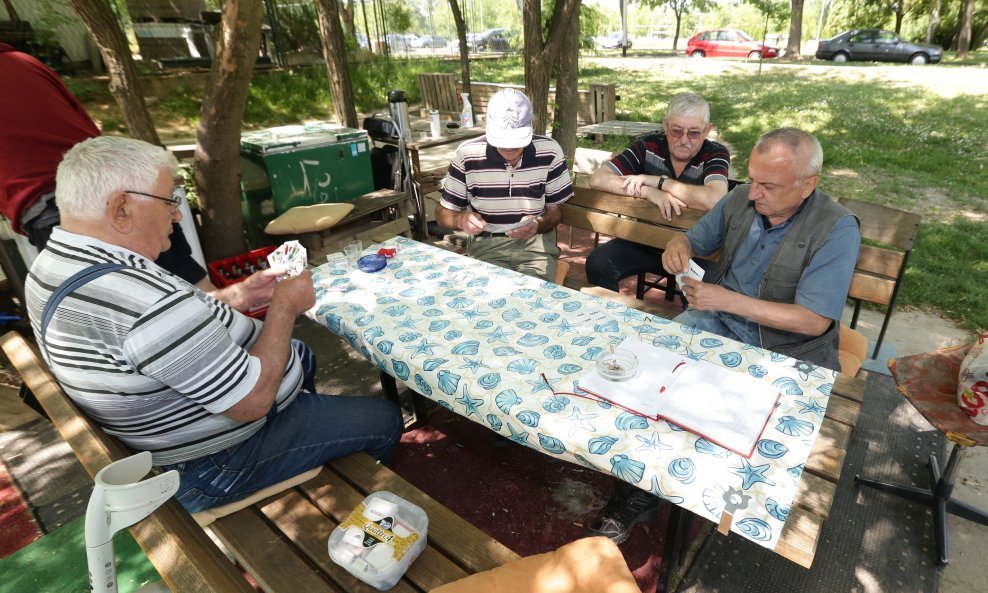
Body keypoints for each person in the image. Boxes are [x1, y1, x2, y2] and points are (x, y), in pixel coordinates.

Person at [24, 136, 403, 513]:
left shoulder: (54, 265)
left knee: (301, 355)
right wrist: (284, 308)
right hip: (212, 463)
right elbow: (252, 402)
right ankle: (353, 508)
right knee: (384, 418)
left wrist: (243, 295)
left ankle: (310, 434)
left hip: (172, 434)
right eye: (168, 201)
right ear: (121, 208)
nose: (176, 215)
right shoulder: (144, 302)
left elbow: (163, 332)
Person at [587, 128, 860, 544]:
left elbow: (813, 321)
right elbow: (692, 239)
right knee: (647, 387)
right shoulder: (741, 198)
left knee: (736, 431)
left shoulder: (836, 228)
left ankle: (719, 502)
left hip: (786, 350)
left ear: (809, 184)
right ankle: (636, 493)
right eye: (752, 180)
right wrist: (676, 247)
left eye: (769, 186)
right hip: (716, 324)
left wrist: (726, 300)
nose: (754, 194)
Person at [0, 42, 207, 287]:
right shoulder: (24, 62)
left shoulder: (21, 61)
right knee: (193, 288)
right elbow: (86, 126)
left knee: (120, 308)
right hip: (118, 185)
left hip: (60, 209)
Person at [585, 92, 731, 292]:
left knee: (703, 289)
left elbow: (714, 199)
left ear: (707, 130)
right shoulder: (648, 146)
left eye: (694, 133)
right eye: (676, 131)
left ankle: (683, 324)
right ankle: (608, 318)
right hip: (645, 240)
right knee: (598, 263)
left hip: (694, 249)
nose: (684, 140)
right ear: (665, 125)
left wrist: (659, 182)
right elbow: (598, 179)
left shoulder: (715, 153)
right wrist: (648, 192)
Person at [436, 88, 574, 282]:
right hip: (487, 245)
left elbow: (556, 211)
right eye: (502, 139)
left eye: (517, 140)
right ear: (487, 126)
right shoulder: (467, 154)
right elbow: (442, 213)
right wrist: (460, 221)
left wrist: (538, 224)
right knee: (486, 299)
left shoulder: (550, 151)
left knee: (533, 299)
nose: (510, 147)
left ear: (531, 125)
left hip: (536, 247)